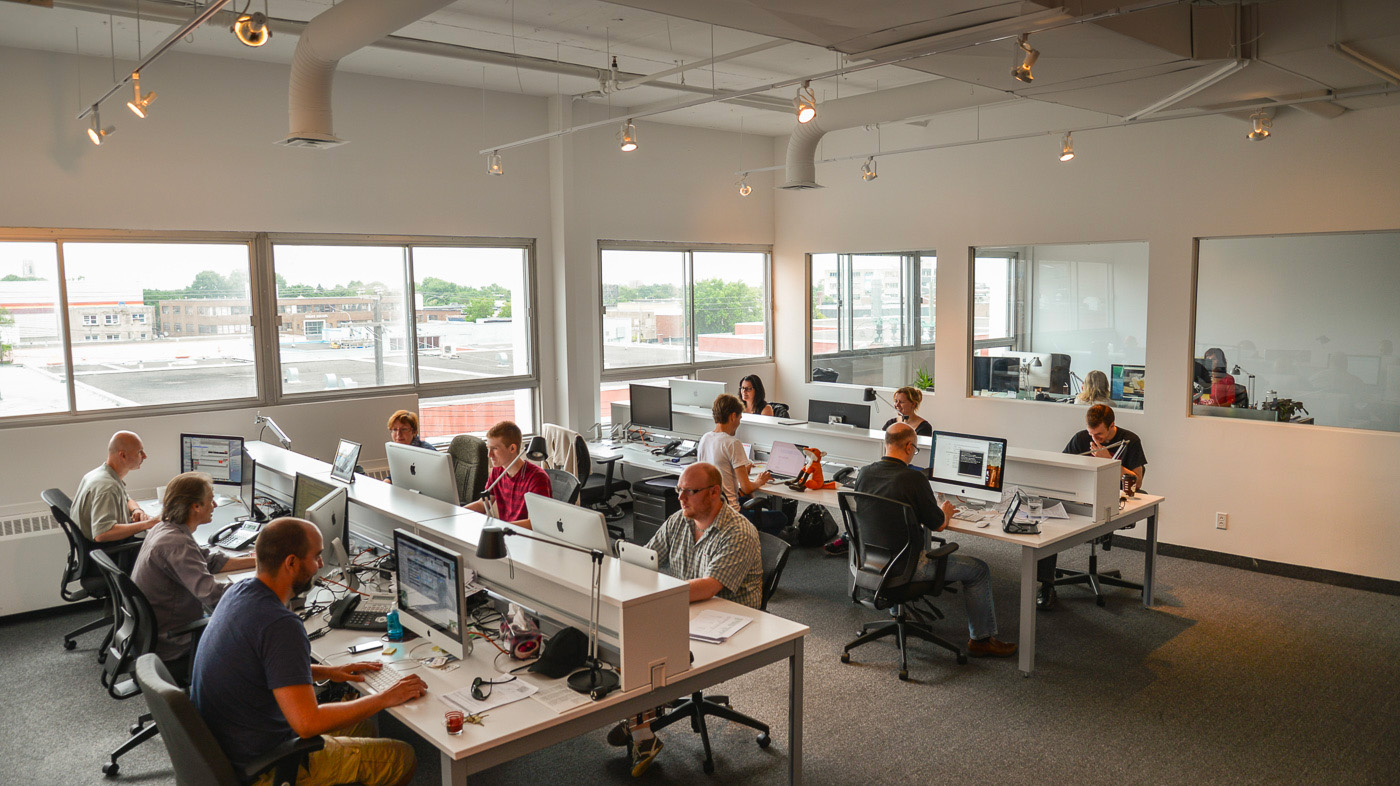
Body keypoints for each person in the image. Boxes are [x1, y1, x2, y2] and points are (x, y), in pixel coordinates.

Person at [191, 517, 425, 786]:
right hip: (264, 766)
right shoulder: (280, 624)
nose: (321, 565)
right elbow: (307, 723)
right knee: (401, 757)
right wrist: (385, 697)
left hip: (234, 742)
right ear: (291, 563)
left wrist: (329, 671)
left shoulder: (239, 591)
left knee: (365, 726)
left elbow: (259, 668)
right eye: (316, 557)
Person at [614, 462, 764, 775]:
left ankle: (640, 725)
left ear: (713, 492)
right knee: (626, 633)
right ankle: (639, 720)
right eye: (678, 490)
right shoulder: (681, 520)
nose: (681, 498)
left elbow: (710, 586)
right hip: (691, 611)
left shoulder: (738, 532)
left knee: (640, 642)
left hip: (730, 624)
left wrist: (658, 600)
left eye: (689, 492)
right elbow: (646, 560)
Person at [851, 423, 1017, 658]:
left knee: (895, 540)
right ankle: (981, 639)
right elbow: (937, 524)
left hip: (873, 563)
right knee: (979, 570)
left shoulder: (865, 473)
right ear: (909, 446)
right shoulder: (913, 479)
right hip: (908, 568)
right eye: (915, 449)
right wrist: (946, 511)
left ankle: (896, 610)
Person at [131, 472, 256, 683]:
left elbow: (210, 561)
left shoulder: (165, 528)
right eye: (210, 499)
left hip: (154, 636)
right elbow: (213, 596)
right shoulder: (176, 543)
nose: (215, 504)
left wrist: (259, 561)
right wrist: (260, 585)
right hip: (174, 643)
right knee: (250, 639)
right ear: (196, 506)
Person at [1037, 404, 1147, 610]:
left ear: (1112, 425)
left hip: (1117, 498)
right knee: (1048, 521)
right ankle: (1046, 585)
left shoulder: (1129, 440)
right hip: (1082, 496)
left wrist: (1109, 461)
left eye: (1099, 434)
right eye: (1091, 434)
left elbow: (1137, 482)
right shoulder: (1080, 439)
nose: (1095, 439)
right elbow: (1061, 468)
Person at [464, 420, 550, 529]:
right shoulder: (498, 471)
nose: (489, 455)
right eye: (488, 448)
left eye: (495, 448)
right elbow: (482, 504)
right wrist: (456, 513)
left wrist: (498, 529)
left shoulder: (537, 478)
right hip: (506, 533)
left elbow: (534, 523)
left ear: (512, 448)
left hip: (525, 538)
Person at [72, 430, 155, 543]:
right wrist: (147, 524)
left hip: (98, 551)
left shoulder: (102, 474)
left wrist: (136, 510)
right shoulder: (108, 487)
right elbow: (102, 534)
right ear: (123, 455)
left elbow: (126, 498)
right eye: (140, 452)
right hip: (108, 554)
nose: (145, 456)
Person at [696, 394, 771, 511]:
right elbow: (747, 488)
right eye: (739, 418)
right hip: (731, 512)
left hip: (711, 509)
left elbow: (721, 472)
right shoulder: (732, 443)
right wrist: (759, 481)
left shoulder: (705, 438)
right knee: (780, 518)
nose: (739, 423)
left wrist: (743, 471)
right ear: (733, 416)